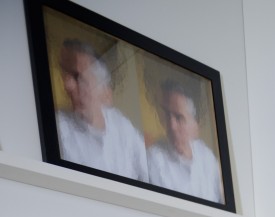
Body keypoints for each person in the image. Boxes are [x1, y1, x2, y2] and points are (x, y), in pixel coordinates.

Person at [56, 38, 148, 182]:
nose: (67, 85)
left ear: (105, 93)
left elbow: (149, 180)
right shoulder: (59, 129)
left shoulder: (122, 127)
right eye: (65, 75)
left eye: (77, 77)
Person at [146, 80, 223, 203]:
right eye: (167, 115)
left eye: (179, 117)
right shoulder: (153, 160)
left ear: (195, 123)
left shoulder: (208, 159)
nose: (171, 126)